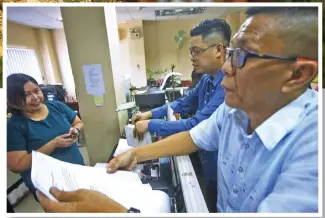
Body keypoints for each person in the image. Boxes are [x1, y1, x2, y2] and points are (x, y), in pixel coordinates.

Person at [37, 7, 318, 213]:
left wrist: (116, 212)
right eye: (233, 54)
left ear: (297, 74)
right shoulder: (236, 109)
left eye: (243, 56)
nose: (226, 68)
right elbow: (195, 136)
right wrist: (135, 153)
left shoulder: (313, 151)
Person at [132, 18, 230, 212]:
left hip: (221, 173)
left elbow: (196, 125)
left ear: (219, 49)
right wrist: (149, 114)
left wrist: (150, 125)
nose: (192, 57)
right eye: (191, 52)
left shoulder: (227, 86)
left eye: (197, 51)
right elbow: (182, 104)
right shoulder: (206, 80)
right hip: (207, 168)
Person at [7, 74, 85, 201]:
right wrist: (53, 144)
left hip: (77, 171)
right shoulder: (13, 126)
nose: (35, 97)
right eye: (26, 95)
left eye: (37, 91)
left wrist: (75, 130)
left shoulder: (56, 106)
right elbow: (17, 165)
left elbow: (78, 122)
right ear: (13, 100)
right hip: (50, 186)